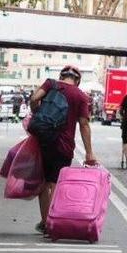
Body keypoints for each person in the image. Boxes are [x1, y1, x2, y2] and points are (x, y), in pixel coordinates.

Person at [30, 65, 96, 234]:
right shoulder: (81, 96)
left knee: (43, 183)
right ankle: (52, 223)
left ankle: (44, 222)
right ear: (77, 81)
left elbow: (34, 99)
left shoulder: (50, 84)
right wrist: (89, 152)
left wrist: (37, 114)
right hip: (64, 146)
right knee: (55, 184)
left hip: (43, 140)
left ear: (61, 76)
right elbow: (84, 125)